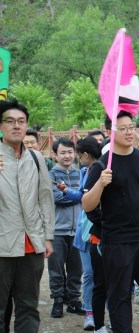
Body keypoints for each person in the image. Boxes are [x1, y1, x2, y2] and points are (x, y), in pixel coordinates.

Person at [82, 111, 139, 333]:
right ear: (111, 131)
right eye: (123, 128)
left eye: (132, 127)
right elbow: (87, 204)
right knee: (119, 296)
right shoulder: (102, 166)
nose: (130, 132)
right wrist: (100, 183)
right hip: (117, 243)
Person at [0, 99, 55, 333]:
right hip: (2, 245)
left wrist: (48, 236)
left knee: (28, 307)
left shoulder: (36, 158)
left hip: (32, 244)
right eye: (10, 121)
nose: (16, 126)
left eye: (21, 122)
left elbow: (45, 198)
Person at [68, 136, 102, 330]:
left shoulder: (105, 170)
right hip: (85, 233)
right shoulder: (85, 172)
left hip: (102, 232)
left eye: (79, 155)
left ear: (86, 155)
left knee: (105, 276)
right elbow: (83, 196)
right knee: (88, 274)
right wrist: (68, 192)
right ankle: (89, 312)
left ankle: (107, 313)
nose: (79, 159)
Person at [49, 137, 85, 318]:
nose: (67, 156)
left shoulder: (81, 173)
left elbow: (86, 197)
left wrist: (74, 194)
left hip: (78, 230)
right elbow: (57, 198)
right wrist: (78, 195)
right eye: (62, 152)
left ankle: (74, 301)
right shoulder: (52, 175)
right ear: (55, 155)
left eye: (70, 152)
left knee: (76, 269)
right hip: (57, 230)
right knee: (56, 269)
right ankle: (57, 301)